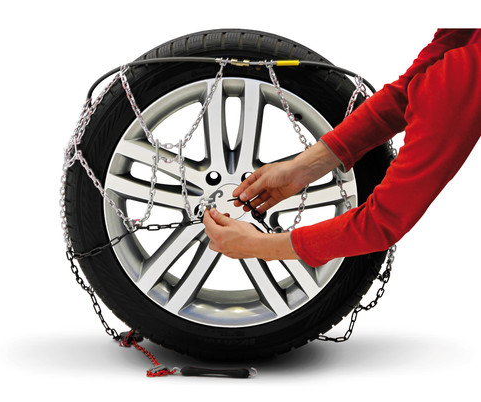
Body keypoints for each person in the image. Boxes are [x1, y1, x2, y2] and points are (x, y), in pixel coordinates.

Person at [203, 29, 481, 267]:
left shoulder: (466, 72)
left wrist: (259, 246)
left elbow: (382, 223)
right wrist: (303, 167)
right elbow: (411, 88)